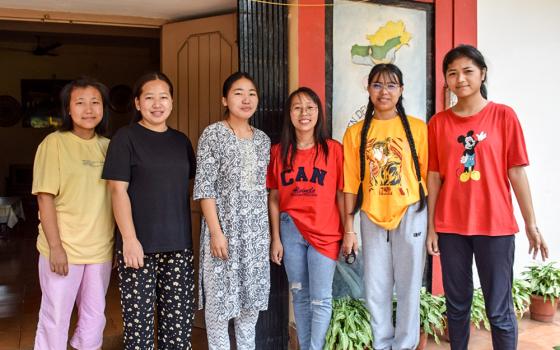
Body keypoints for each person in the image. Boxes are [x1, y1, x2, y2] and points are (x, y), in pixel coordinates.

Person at [426, 44, 548, 350]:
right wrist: (431, 227)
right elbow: (434, 177)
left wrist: (531, 224)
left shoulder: (504, 116)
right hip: (451, 227)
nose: (460, 79)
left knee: (499, 310)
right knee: (456, 307)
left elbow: (517, 173)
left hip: (496, 227)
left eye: (468, 71)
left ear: (482, 74)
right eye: (452, 73)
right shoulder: (438, 123)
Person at [102, 72, 197, 349]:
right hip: (138, 248)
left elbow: (189, 187)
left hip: (178, 246)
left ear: (172, 102)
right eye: (149, 97)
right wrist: (129, 240)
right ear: (137, 103)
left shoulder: (181, 141)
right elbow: (117, 191)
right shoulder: (126, 138)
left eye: (164, 97)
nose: (157, 104)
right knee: (139, 330)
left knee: (178, 331)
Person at [342, 63, 428, 350]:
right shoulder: (355, 133)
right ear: (368, 89)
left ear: (401, 90)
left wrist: (433, 227)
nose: (384, 91)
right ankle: (382, 344)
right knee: (375, 287)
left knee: (409, 286)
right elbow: (350, 184)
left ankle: (404, 345)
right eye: (377, 85)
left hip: (410, 212)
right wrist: (348, 229)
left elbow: (428, 176)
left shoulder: (418, 128)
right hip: (371, 213)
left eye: (391, 85)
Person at [32, 77, 114, 350]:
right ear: (68, 109)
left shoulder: (108, 146)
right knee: (55, 316)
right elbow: (45, 198)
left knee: (94, 316)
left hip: (100, 249)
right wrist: (55, 247)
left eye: (95, 102)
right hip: (63, 248)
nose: (88, 109)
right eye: (80, 103)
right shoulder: (53, 143)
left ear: (103, 108)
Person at [194, 72, 270, 350]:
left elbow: (266, 191)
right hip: (223, 237)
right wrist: (216, 233)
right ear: (224, 99)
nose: (246, 99)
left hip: (255, 238)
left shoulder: (263, 140)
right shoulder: (213, 134)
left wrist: (270, 238)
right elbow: (205, 188)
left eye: (251, 93)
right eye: (238, 93)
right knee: (218, 313)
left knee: (249, 313)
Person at [267, 87, 346, 350]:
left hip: (325, 231)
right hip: (290, 231)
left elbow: (341, 195)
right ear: (289, 114)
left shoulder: (334, 150)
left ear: (318, 113)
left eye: (310, 107)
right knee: (299, 295)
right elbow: (275, 197)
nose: (304, 113)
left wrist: (349, 232)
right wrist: (275, 238)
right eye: (297, 107)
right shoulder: (278, 152)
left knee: (321, 298)